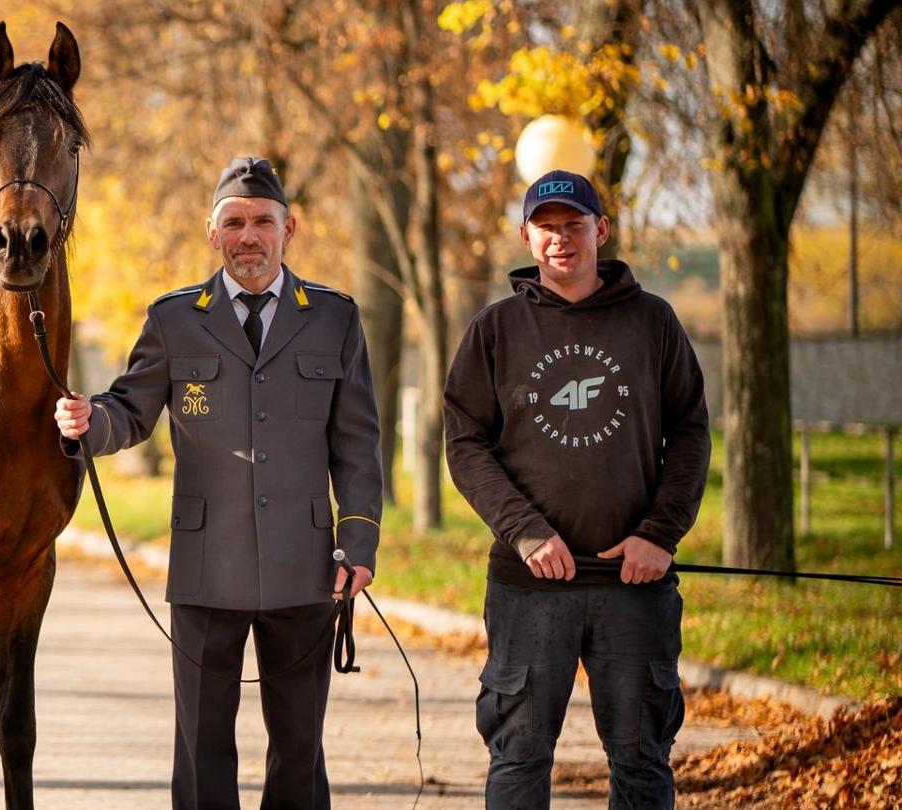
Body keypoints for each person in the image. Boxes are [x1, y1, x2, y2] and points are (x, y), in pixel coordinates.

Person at [53, 157, 383, 810]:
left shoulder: (334, 319)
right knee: (202, 748)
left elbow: (357, 444)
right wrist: (88, 423)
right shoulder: (176, 320)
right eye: (234, 222)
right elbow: (131, 410)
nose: (249, 236)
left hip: (306, 567)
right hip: (207, 569)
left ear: (291, 230)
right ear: (213, 234)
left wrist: (359, 544)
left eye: (264, 221)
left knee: (299, 748)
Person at [444, 170, 710, 809]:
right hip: (528, 588)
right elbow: (464, 444)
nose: (561, 240)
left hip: (633, 587)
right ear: (527, 237)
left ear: (601, 230)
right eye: (547, 227)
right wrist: (526, 530)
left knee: (643, 762)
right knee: (519, 759)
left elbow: (691, 433)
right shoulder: (495, 330)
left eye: (574, 225)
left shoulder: (652, 322)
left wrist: (659, 534)